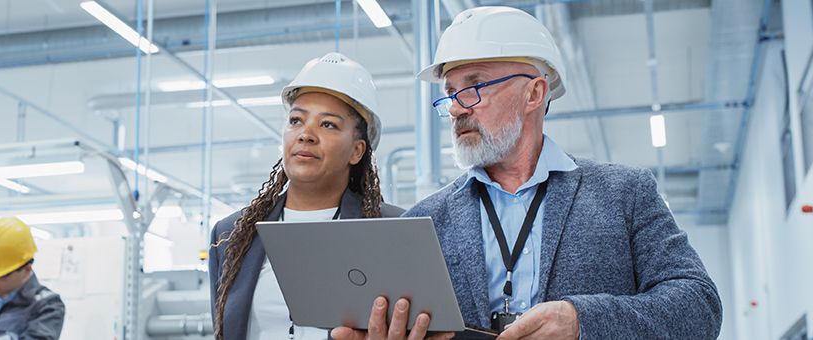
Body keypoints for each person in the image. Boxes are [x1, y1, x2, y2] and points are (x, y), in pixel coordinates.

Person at [330, 6, 722, 340]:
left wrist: (582, 321)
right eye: (450, 92)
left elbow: (699, 304)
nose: (455, 108)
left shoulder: (624, 194)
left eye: (475, 86)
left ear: (534, 94)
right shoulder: (425, 219)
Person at [207, 52, 404, 340]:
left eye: (328, 124)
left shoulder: (394, 228)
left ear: (356, 150)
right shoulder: (232, 234)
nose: (305, 134)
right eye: (296, 120)